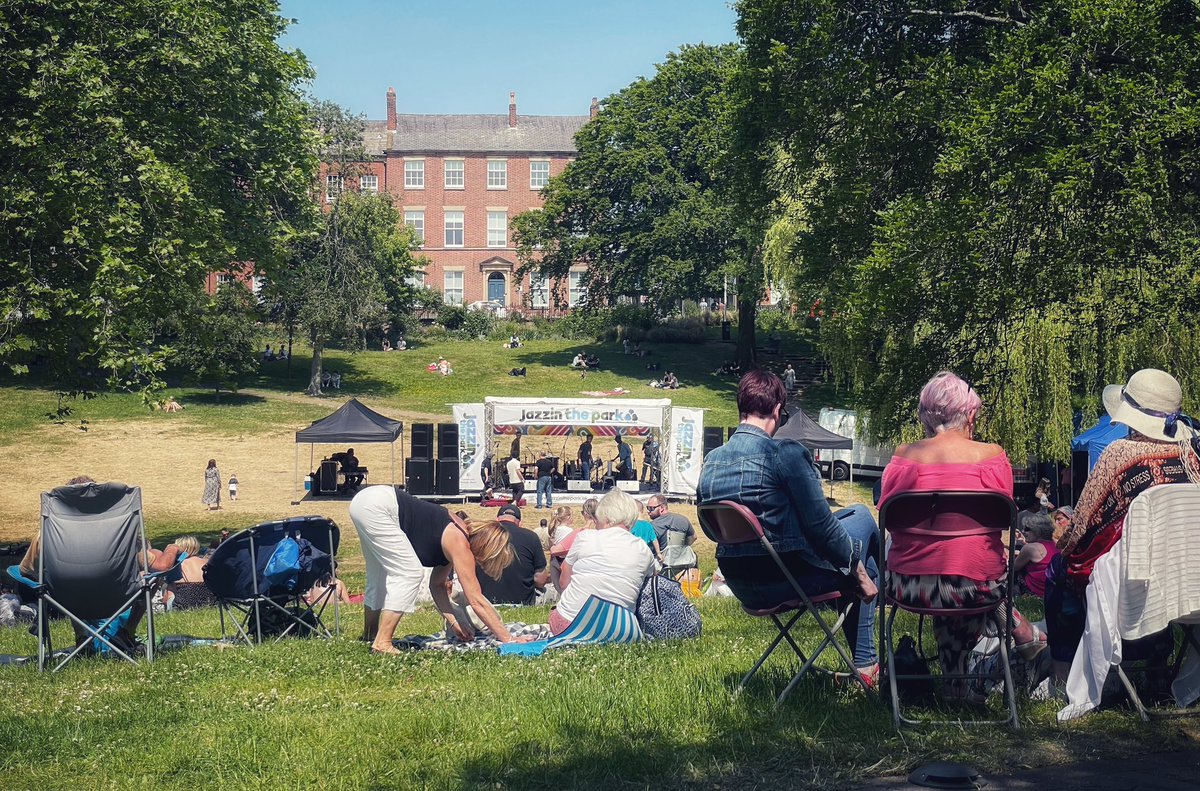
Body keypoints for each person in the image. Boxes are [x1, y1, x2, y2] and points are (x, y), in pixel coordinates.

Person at [698, 369, 881, 685]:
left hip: (740, 583)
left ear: (740, 407)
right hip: (788, 578)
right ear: (778, 412)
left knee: (852, 529)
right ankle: (866, 665)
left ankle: (865, 665)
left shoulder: (712, 461)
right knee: (863, 520)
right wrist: (859, 572)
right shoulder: (785, 453)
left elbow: (713, 530)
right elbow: (821, 527)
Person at [879, 371, 1046, 697]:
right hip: (980, 588)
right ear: (970, 415)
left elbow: (887, 518)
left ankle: (956, 687)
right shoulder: (994, 458)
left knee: (948, 560)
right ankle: (1019, 638)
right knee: (968, 562)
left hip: (909, 588)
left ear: (926, 415)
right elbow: (1003, 518)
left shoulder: (903, 458)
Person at [1046, 368, 1200, 682]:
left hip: (1134, 578)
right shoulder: (1192, 454)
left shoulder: (1120, 453)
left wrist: (1062, 542)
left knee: (1058, 572)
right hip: (1188, 580)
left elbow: (1081, 526)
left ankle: (1062, 675)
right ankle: (1157, 665)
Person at [348, 485, 533, 653]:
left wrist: (455, 621)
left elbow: (437, 586)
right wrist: (508, 638)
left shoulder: (453, 536)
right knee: (409, 573)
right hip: (380, 506)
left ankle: (370, 635)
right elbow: (476, 599)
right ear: (487, 547)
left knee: (378, 575)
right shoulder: (461, 544)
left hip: (367, 500)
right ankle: (382, 642)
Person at [551, 489, 657, 635]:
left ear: (605, 517)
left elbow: (564, 583)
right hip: (620, 630)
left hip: (571, 624)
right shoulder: (643, 549)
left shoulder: (585, 537)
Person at [474, 504, 549, 605]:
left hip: (484, 602)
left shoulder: (481, 535)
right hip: (522, 603)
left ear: (497, 520)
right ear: (520, 523)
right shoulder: (531, 537)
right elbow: (540, 580)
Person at [1014, 513, 1058, 597]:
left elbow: (1013, 568)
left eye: (1027, 529)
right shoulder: (1056, 545)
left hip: (1036, 592)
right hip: (1052, 592)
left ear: (1037, 531)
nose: (1023, 531)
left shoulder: (1030, 548)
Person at [647, 495, 696, 564]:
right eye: (647, 508)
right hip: (682, 564)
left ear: (661, 508)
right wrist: (679, 550)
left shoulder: (651, 526)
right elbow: (693, 537)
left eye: (651, 508)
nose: (648, 511)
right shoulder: (683, 519)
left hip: (660, 566)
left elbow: (647, 549)